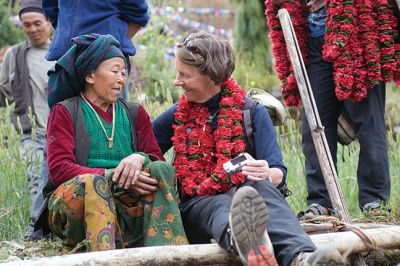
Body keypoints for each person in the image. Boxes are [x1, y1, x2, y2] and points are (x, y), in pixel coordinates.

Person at [152, 30, 345, 266]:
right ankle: (249, 242)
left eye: (185, 75)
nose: (177, 81)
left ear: (212, 77)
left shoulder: (252, 111)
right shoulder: (175, 116)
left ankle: (302, 258)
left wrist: (268, 173)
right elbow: (145, 151)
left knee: (258, 187)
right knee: (221, 203)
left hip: (251, 197)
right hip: (199, 206)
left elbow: (277, 171)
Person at [44, 33, 188, 252]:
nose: (122, 78)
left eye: (123, 72)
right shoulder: (65, 111)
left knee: (161, 168)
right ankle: (104, 255)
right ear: (90, 76)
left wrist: (139, 157)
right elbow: (59, 169)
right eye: (114, 71)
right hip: (75, 204)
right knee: (94, 183)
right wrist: (113, 176)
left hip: (123, 203)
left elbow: (155, 158)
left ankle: (168, 252)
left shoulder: (134, 113)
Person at [265, 0, 397, 218]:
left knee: (369, 125)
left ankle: (374, 203)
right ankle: (322, 202)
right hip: (314, 38)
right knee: (314, 127)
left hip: (358, 32)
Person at [0, 0, 54, 239]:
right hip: (30, 132)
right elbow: (3, 91)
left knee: (55, 183)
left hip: (59, 133)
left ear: (49, 22)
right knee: (34, 179)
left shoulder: (60, 53)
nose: (32, 29)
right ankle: (35, 233)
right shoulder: (15, 54)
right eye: (26, 25)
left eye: (37, 23)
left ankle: (54, 231)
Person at [42, 0, 150, 100]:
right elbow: (51, 9)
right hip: (67, 59)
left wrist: (109, 46)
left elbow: (138, 14)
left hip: (106, 59)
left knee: (110, 117)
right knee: (62, 116)